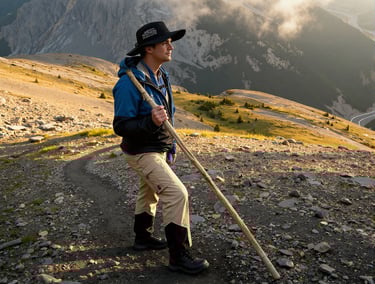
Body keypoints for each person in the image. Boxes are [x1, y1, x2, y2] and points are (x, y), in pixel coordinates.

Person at [112, 21, 209, 275]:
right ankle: (179, 257)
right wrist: (150, 121)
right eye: (165, 42)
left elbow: (170, 115)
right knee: (177, 193)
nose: (170, 46)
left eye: (170, 41)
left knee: (149, 192)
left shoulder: (160, 76)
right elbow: (121, 126)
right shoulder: (128, 84)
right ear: (148, 48)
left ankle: (142, 238)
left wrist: (171, 146)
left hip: (158, 148)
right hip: (141, 151)